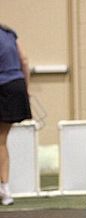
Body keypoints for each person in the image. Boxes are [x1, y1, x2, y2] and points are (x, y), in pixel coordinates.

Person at [0, 24, 32, 206]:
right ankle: (5, 189)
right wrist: (26, 88)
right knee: (2, 139)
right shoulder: (10, 32)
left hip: (3, 86)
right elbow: (24, 60)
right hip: (16, 85)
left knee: (1, 140)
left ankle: (4, 188)